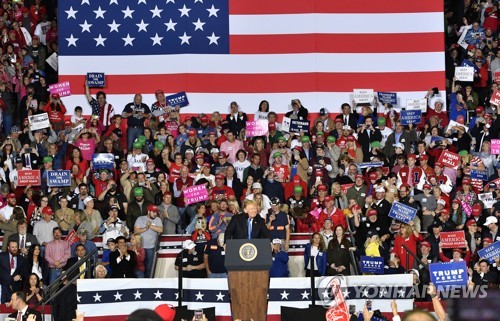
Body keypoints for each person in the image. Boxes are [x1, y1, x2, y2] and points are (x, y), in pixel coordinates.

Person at [134, 204, 163, 278]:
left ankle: (148, 285)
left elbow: (161, 230)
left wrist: (150, 226)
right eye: (153, 212)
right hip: (140, 248)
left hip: (151, 248)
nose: (155, 214)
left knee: (149, 268)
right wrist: (146, 228)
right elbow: (136, 231)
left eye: (156, 212)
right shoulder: (140, 219)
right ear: (148, 211)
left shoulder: (157, 219)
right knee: (139, 267)